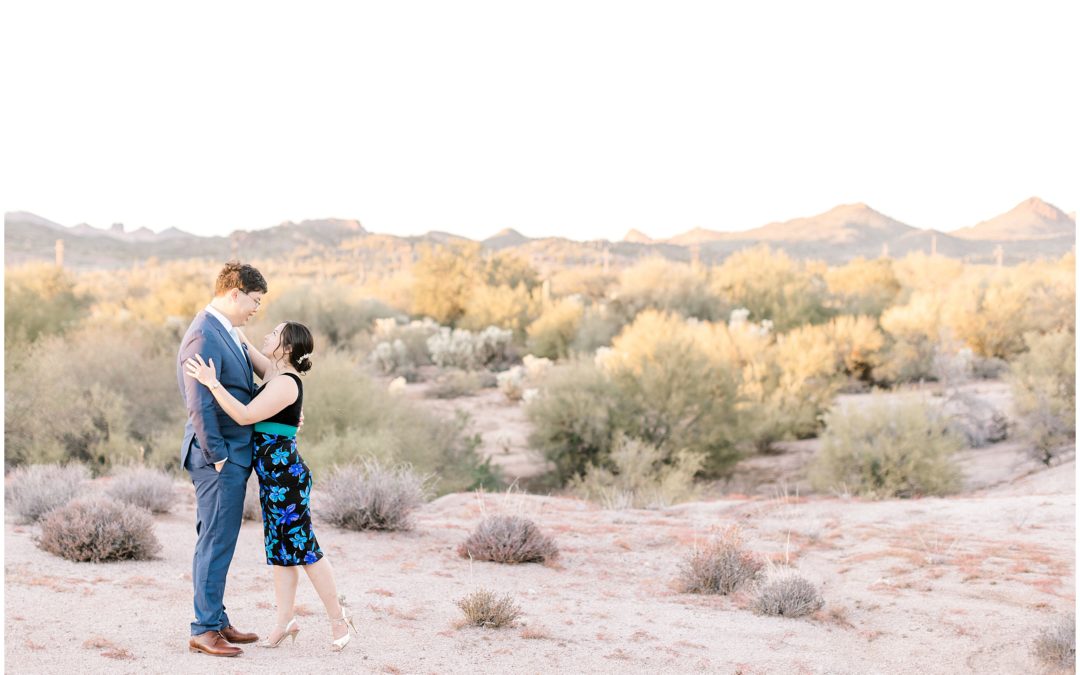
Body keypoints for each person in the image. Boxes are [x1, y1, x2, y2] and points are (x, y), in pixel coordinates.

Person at [185, 320, 357, 652]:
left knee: (306, 552)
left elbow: (246, 415)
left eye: (275, 334)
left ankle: (338, 618)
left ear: (287, 347)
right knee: (280, 553)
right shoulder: (275, 372)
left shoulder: (286, 382)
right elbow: (246, 346)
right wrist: (232, 325)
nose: (268, 335)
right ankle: (284, 623)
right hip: (272, 480)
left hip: (286, 479)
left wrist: (212, 383)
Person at [177, 261, 266, 657]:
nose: (256, 309)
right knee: (215, 539)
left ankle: (216, 618)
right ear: (235, 293)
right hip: (219, 457)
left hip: (230, 456)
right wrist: (217, 457)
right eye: (254, 300)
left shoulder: (226, 330)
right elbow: (199, 403)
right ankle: (203, 629)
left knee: (219, 539)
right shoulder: (203, 335)